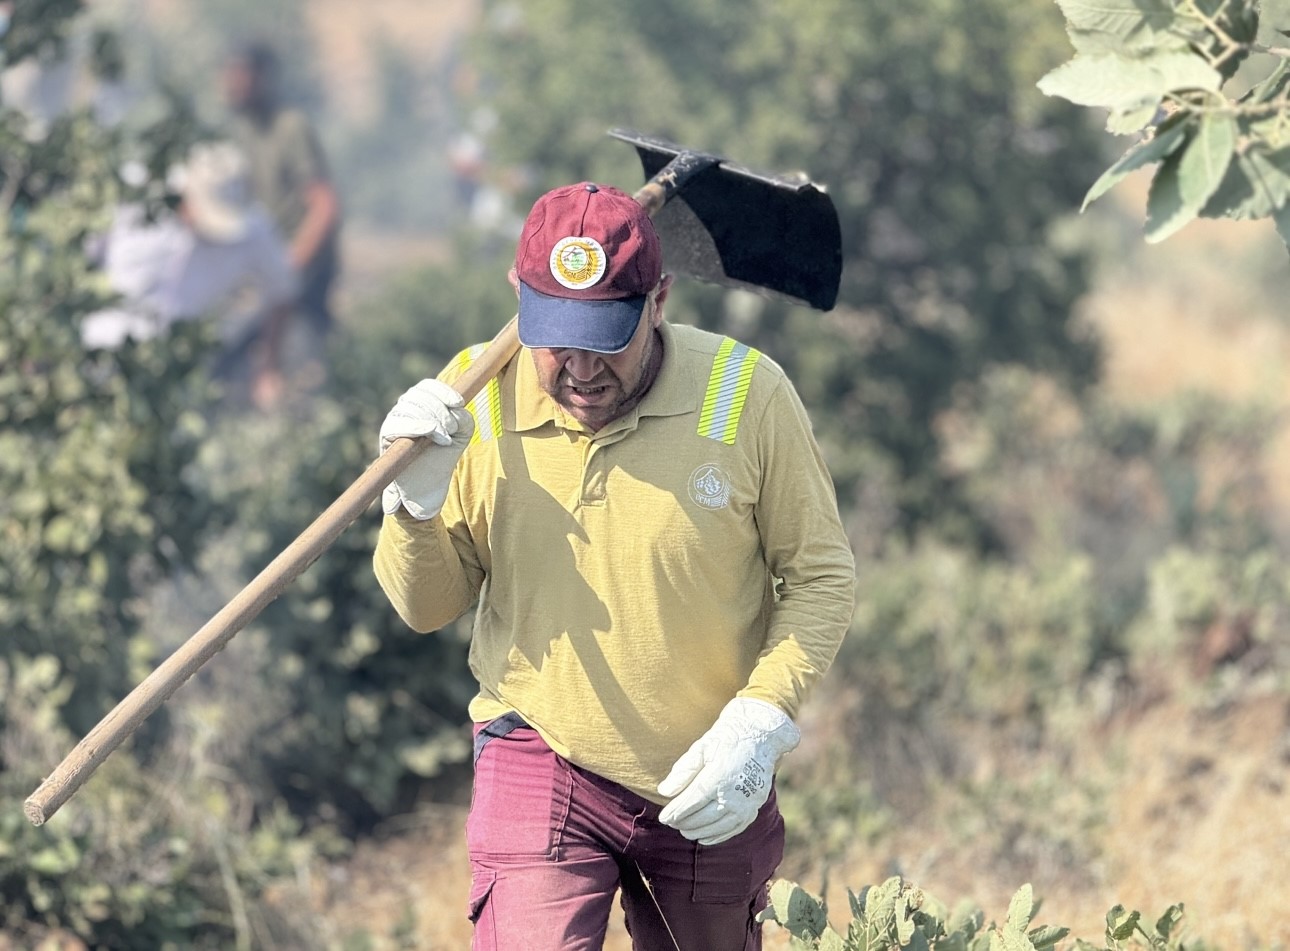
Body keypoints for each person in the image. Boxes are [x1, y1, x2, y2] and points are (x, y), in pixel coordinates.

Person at [372, 182, 856, 950]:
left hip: (706, 766)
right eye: (557, 339)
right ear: (518, 300)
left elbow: (822, 576)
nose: (580, 371)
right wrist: (414, 507)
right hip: (542, 745)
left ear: (659, 299)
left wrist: (762, 718)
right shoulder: (473, 400)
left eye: (607, 339)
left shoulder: (746, 394)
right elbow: (426, 605)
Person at [81, 140, 297, 408]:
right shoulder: (134, 192)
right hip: (96, 353)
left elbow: (282, 291)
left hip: (174, 375)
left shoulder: (254, 232)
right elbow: (81, 254)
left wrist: (268, 366)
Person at [221, 40, 341, 384]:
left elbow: (323, 206)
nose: (232, 83)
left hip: (303, 272)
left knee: (300, 365)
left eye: (240, 74)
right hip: (269, 267)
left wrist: (288, 266)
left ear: (262, 77)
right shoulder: (241, 130)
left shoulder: (289, 127)